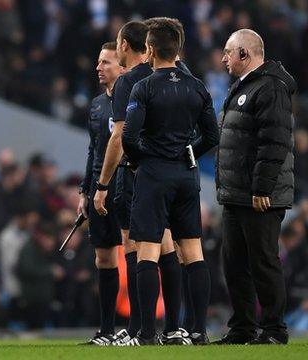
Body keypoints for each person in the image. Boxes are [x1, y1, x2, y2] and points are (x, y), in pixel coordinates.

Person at [120, 20, 219, 346]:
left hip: (154, 175)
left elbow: (129, 138)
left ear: (149, 50)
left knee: (148, 252)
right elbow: (212, 135)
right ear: (177, 49)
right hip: (187, 176)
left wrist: (143, 159)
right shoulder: (197, 86)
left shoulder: (144, 87)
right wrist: (188, 152)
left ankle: (148, 335)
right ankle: (197, 332)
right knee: (192, 252)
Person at [94, 20, 185, 346]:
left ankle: (139, 330)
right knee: (170, 247)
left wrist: (102, 184)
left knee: (137, 248)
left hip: (138, 174)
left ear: (124, 46)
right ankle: (177, 327)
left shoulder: (130, 81)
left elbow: (120, 137)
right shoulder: (178, 76)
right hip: (175, 172)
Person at [215, 29, 296, 345]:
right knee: (234, 263)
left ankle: (274, 329)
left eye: (228, 52)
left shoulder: (270, 87)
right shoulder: (244, 87)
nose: (223, 58)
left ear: (244, 54)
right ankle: (242, 328)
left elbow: (274, 141)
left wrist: (262, 188)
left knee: (262, 261)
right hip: (237, 193)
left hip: (260, 194)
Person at [77, 41, 124, 345]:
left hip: (127, 186)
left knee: (136, 255)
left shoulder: (134, 99)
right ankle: (106, 330)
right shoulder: (96, 105)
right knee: (103, 259)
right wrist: (85, 190)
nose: (99, 68)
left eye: (106, 62)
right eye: (98, 62)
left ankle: (137, 329)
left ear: (123, 67)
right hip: (98, 191)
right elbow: (94, 150)